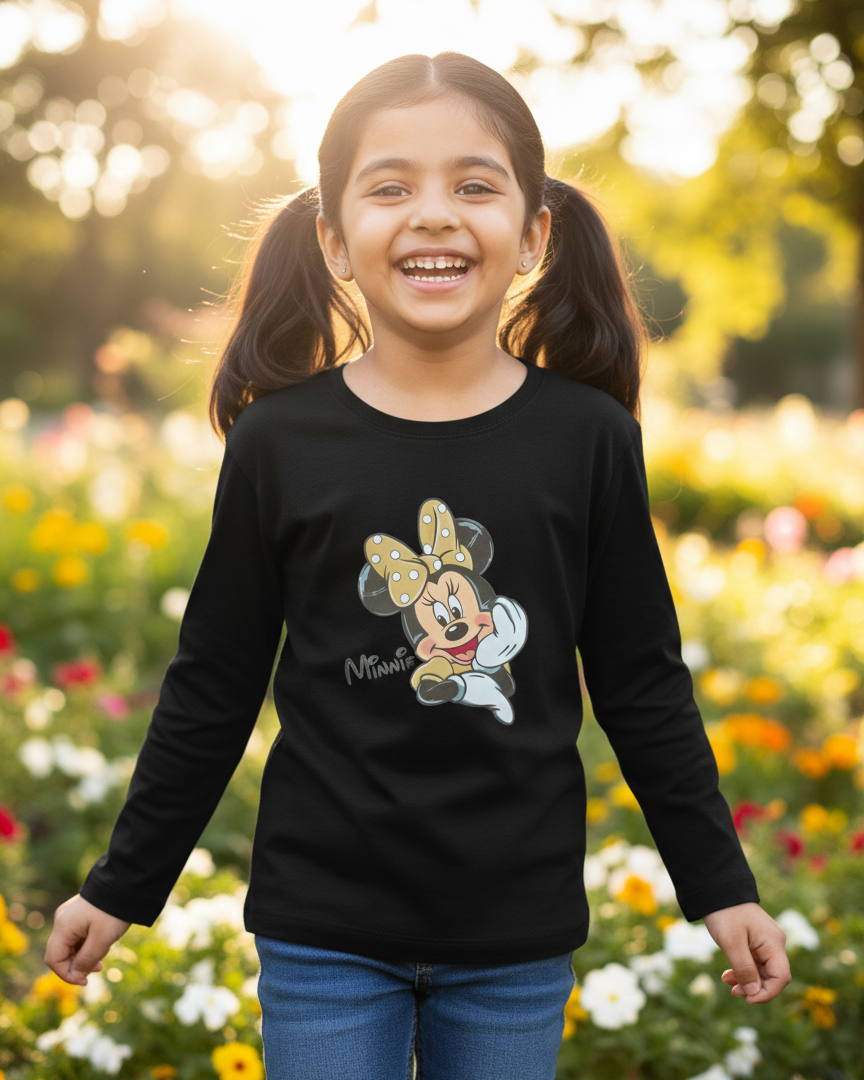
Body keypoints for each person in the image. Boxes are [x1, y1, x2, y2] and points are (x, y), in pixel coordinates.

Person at [45, 50, 791, 1080]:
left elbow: (641, 681)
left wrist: (720, 885)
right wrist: (123, 886)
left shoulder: (588, 439)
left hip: (515, 937)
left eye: (474, 185)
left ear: (533, 234)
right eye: (390, 186)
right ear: (335, 241)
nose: (434, 214)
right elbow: (214, 684)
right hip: (324, 933)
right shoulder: (281, 443)